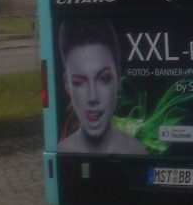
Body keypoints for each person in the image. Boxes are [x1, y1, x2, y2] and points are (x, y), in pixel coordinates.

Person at [57, 19, 147, 154]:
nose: (93, 97)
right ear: (67, 85)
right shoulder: (63, 152)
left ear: (118, 79)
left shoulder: (138, 151)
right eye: (79, 81)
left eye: (103, 78)